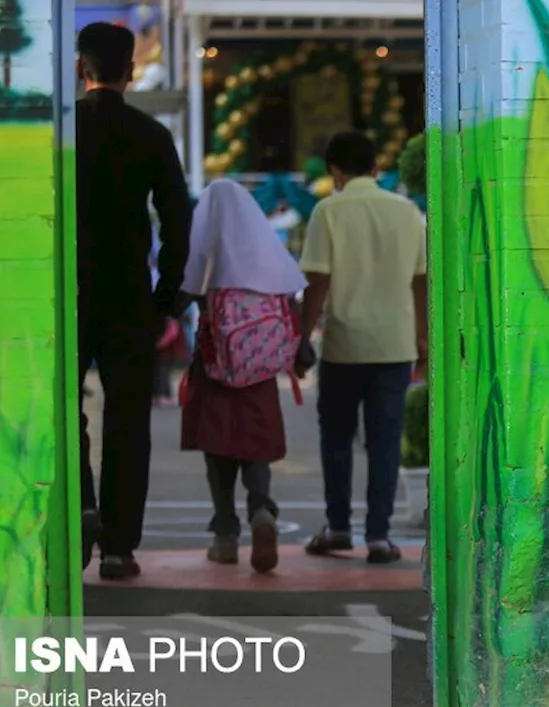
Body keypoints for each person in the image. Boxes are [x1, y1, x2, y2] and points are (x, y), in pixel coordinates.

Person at [76, 22, 191, 579]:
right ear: (130, 71)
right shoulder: (150, 135)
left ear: (81, 69)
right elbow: (177, 218)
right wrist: (167, 295)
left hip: (67, 297)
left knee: (62, 412)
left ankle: (81, 506)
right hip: (129, 297)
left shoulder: (63, 133)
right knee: (128, 421)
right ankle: (119, 548)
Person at [296, 131, 427, 564]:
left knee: (336, 438)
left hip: (342, 347)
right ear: (376, 167)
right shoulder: (408, 213)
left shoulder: (328, 211)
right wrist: (423, 338)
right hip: (395, 346)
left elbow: (316, 282)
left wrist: (301, 339)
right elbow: (421, 282)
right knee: (385, 442)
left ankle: (337, 528)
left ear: (335, 170)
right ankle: (378, 537)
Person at [179, 179, 307, 572]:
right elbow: (290, 303)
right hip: (260, 370)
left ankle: (226, 536)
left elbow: (181, 295)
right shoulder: (266, 252)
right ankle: (262, 512)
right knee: (255, 447)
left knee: (218, 449)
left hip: (215, 365)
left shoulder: (206, 253)